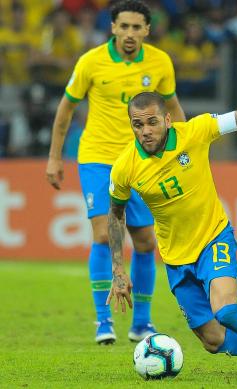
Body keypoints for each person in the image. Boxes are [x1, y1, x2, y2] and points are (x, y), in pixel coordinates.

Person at [107, 91, 237, 380]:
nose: (145, 131)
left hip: (213, 238)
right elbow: (116, 214)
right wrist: (118, 270)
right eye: (137, 124)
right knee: (213, 340)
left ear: (167, 119)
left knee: (227, 311)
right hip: (176, 258)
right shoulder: (125, 166)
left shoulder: (195, 131)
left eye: (152, 122)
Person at [45, 0, 186, 345]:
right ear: (112, 28)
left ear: (147, 31)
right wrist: (54, 158)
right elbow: (66, 110)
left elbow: (173, 109)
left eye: (137, 28)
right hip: (97, 157)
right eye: (123, 26)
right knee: (105, 235)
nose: (129, 34)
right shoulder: (91, 62)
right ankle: (103, 321)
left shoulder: (160, 62)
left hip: (140, 161)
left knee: (146, 241)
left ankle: (141, 322)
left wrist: (187, 152)